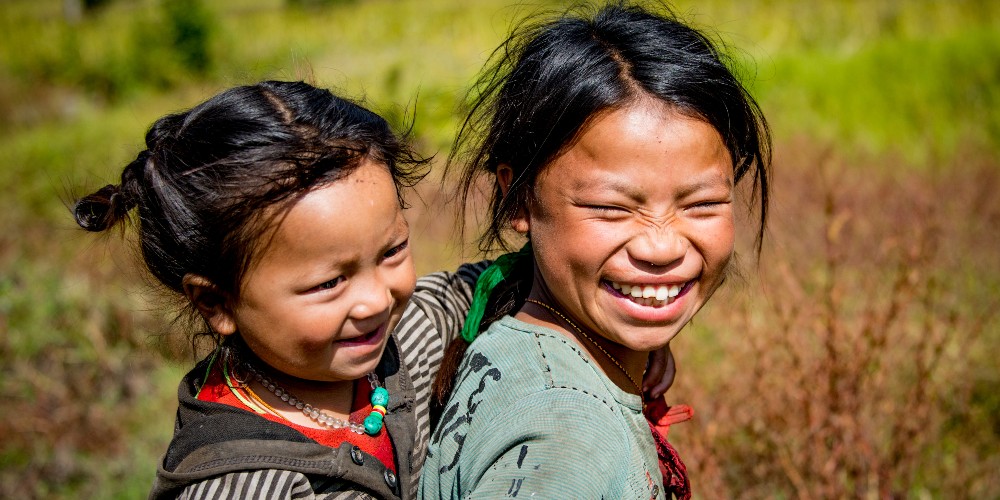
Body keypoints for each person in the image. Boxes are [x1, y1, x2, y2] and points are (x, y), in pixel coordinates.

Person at [73, 80, 491, 499]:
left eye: (392, 251)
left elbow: (472, 289)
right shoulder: (243, 486)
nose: (376, 300)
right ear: (217, 302)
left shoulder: (404, 340)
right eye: (329, 282)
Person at [420, 2, 770, 499]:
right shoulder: (566, 433)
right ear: (517, 196)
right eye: (611, 207)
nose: (661, 245)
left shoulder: (524, 335)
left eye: (703, 203)